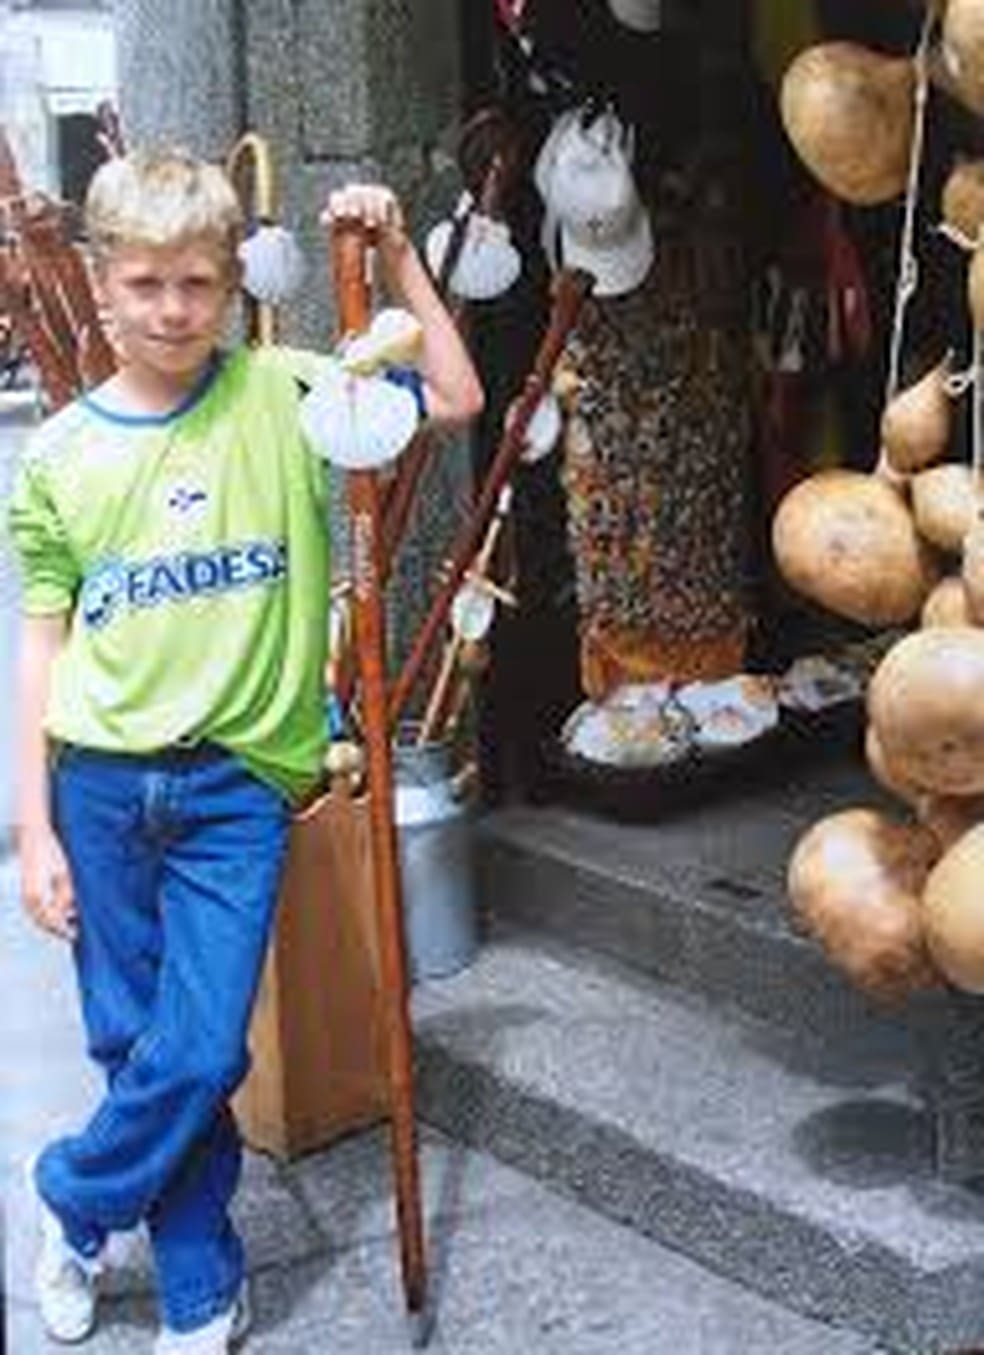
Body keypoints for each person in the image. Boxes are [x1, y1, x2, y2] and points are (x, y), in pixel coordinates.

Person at [8, 146, 483, 1352]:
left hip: (237, 783)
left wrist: (398, 255)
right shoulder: (56, 456)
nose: (173, 310)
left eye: (198, 285)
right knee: (135, 1043)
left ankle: (68, 1192)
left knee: (205, 1039)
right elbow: (43, 647)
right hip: (103, 777)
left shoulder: (288, 394)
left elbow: (459, 398)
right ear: (103, 285)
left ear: (230, 288)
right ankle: (202, 1282)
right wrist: (35, 828)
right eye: (148, 284)